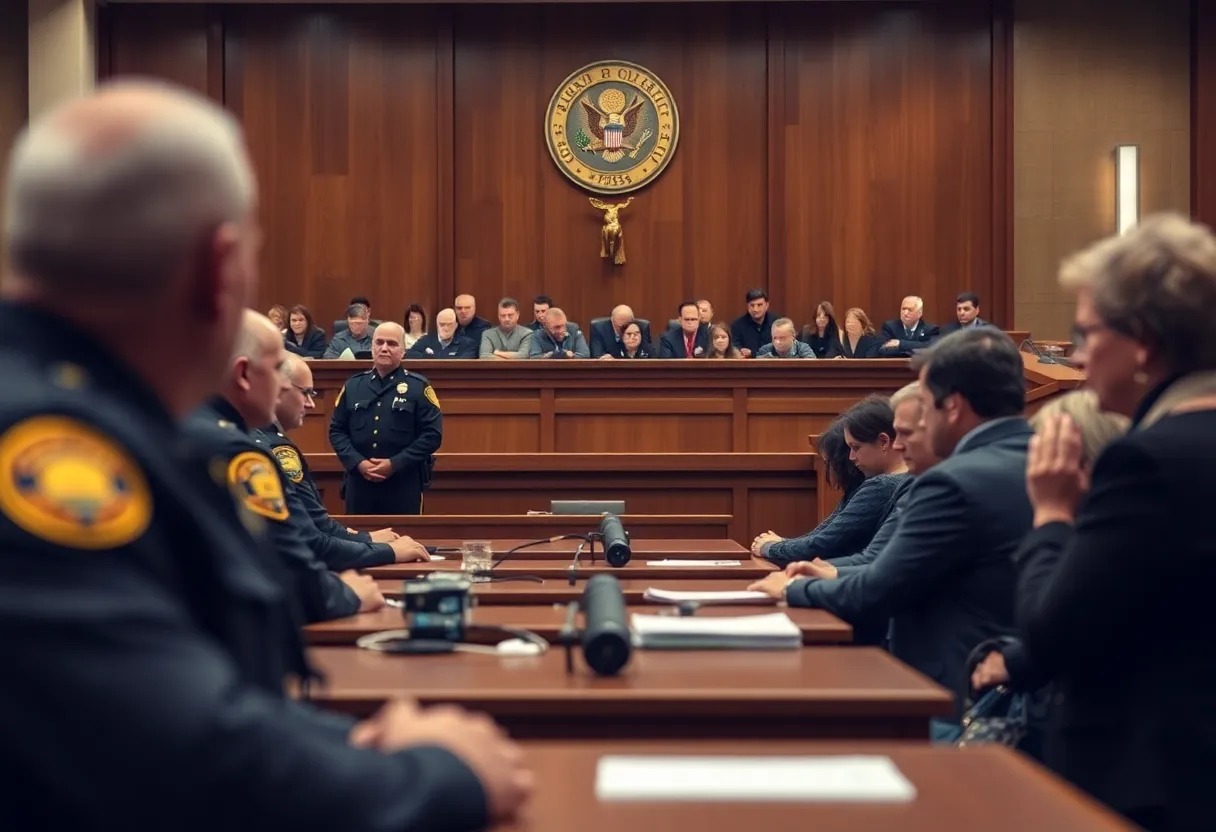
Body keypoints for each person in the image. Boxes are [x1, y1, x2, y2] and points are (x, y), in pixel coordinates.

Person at [0, 79, 529, 830]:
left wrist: (353, 745)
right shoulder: (47, 459)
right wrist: (438, 776)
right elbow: (176, 755)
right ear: (219, 270)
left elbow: (173, 692)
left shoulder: (104, 423)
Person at [1014, 213, 1216, 832]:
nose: (1074, 355)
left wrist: (1052, 513)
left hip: (1155, 786)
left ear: (1144, 341)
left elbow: (1051, 635)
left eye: (1085, 333)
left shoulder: (1147, 462)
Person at [751, 329, 1032, 723]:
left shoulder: (951, 480)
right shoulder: (1047, 461)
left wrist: (795, 587)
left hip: (956, 700)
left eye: (928, 407)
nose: (904, 441)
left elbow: (879, 589)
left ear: (952, 406)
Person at [187, 311, 383, 620]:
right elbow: (292, 564)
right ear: (242, 375)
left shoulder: (184, 424)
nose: (283, 387)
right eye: (279, 369)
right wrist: (348, 595)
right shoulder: (239, 452)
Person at [256, 352, 432, 571]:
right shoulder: (275, 448)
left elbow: (318, 527)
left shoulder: (416, 385)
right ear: (278, 388)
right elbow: (315, 541)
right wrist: (388, 551)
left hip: (402, 482)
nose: (311, 404)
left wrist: (367, 538)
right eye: (306, 393)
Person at [752, 397, 908, 565]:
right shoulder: (895, 481)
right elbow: (824, 535)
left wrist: (770, 547)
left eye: (856, 447)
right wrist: (781, 544)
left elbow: (822, 544)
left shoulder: (883, 485)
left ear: (884, 441)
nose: (851, 457)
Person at [331, 322, 442, 515]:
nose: (384, 348)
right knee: (359, 543)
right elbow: (336, 431)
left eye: (392, 344)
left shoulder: (419, 387)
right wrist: (359, 463)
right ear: (371, 347)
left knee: (404, 542)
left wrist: (394, 464)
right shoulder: (353, 386)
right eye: (379, 342)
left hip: (403, 484)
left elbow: (432, 435)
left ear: (403, 350)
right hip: (359, 484)